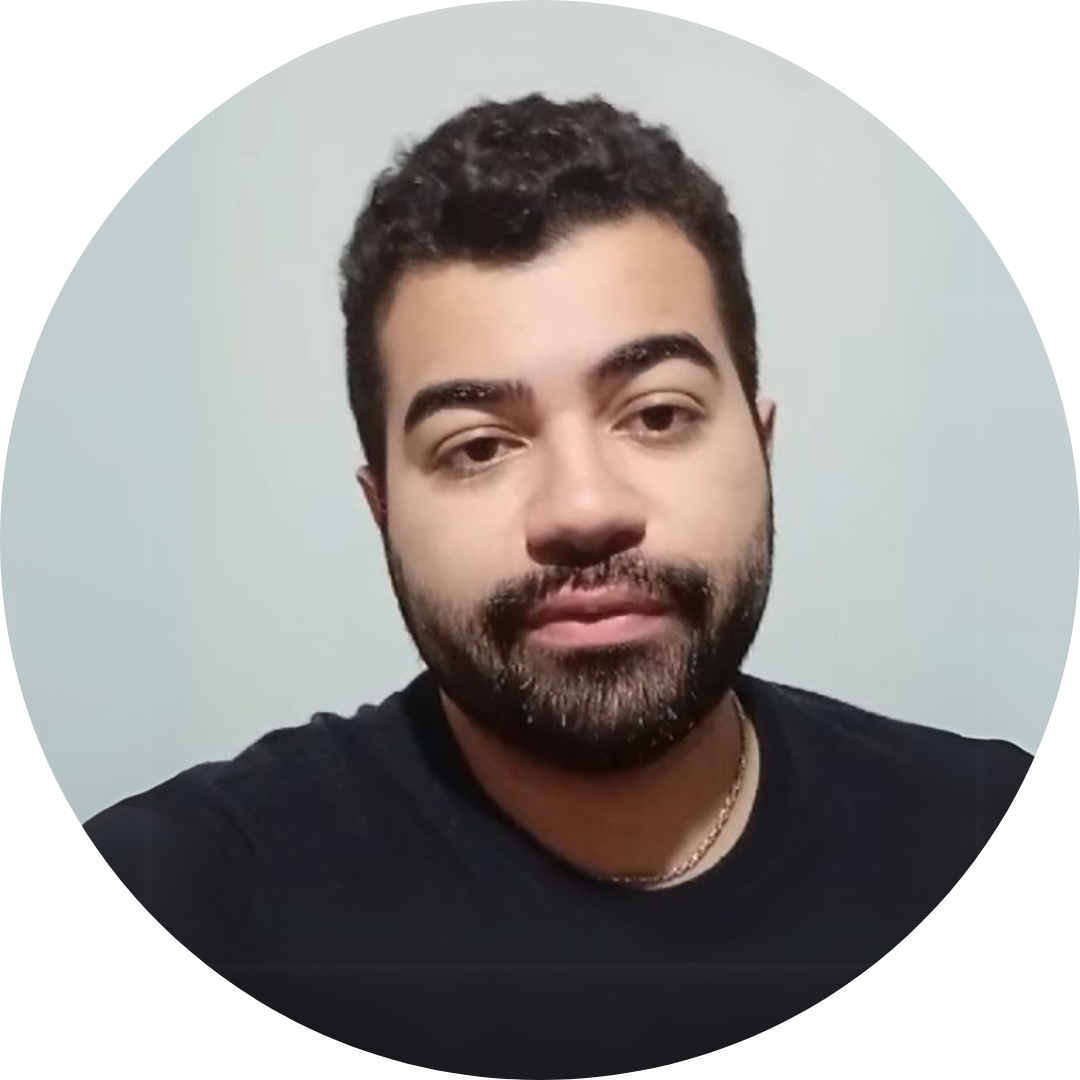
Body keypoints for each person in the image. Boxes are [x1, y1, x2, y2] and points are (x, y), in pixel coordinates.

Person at [84, 94, 1031, 1070]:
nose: (582, 509)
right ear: (383, 510)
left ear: (761, 445)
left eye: (657, 415)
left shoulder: (971, 823)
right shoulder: (195, 899)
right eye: (478, 446)